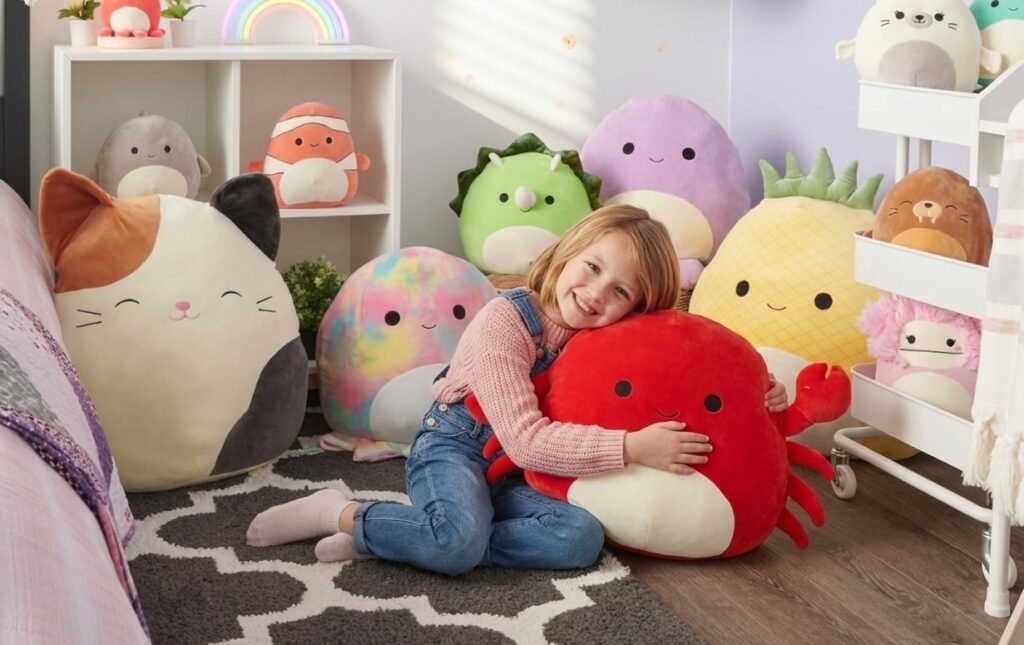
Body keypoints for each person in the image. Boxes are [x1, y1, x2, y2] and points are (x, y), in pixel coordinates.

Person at [246, 204, 789, 575]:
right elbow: (526, 440)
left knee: (579, 537)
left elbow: (681, 365)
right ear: (568, 251)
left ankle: (409, 540)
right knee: (458, 541)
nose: (596, 293)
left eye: (621, 291)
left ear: (637, 308)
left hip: (518, 471)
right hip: (457, 446)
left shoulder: (606, 341)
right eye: (592, 267)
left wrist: (757, 391)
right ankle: (342, 513)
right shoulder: (504, 322)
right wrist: (631, 447)